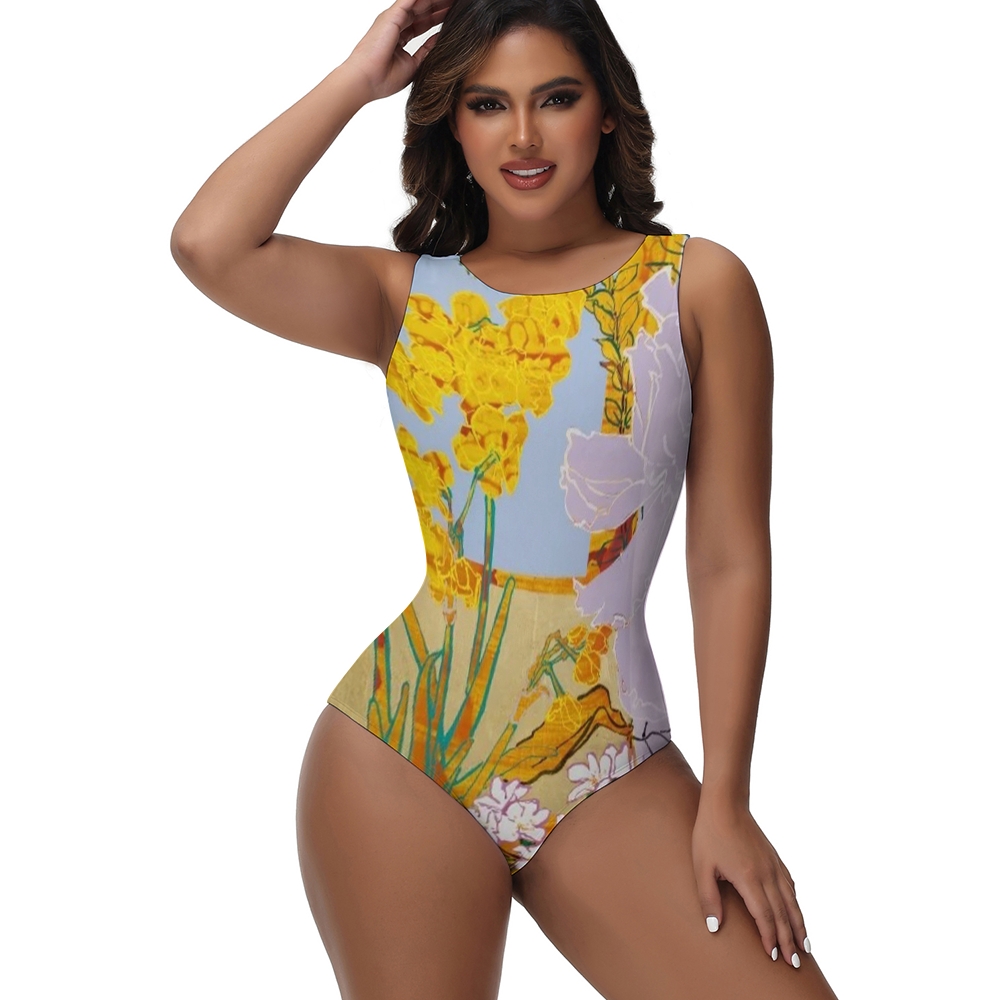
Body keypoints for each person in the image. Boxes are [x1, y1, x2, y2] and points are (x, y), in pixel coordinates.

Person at [170, 1, 840, 996]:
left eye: (554, 99)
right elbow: (208, 244)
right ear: (454, 122)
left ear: (606, 111)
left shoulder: (695, 286)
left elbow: (728, 558)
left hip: (606, 755)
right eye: (487, 104)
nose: (522, 136)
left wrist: (727, 801)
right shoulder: (405, 298)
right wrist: (357, 79)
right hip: (402, 750)